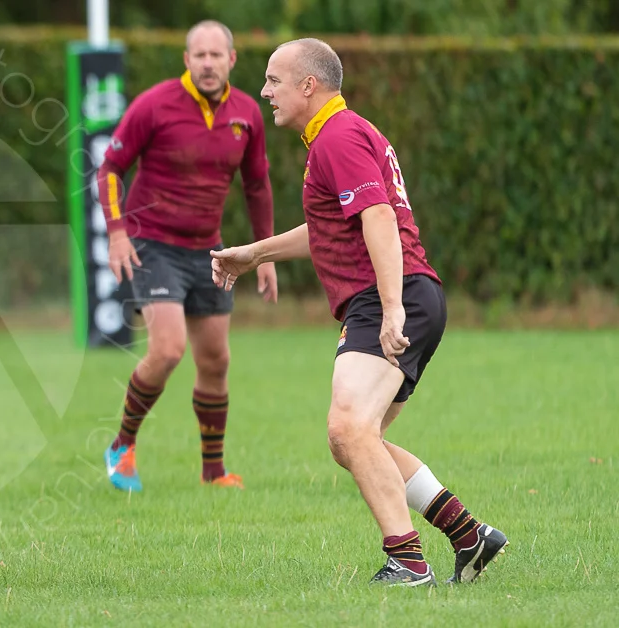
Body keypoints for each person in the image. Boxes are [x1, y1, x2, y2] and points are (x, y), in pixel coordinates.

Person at [210, 38, 507, 586]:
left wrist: (392, 307)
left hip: (392, 296)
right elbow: (329, 228)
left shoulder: (338, 137)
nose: (265, 91)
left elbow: (377, 218)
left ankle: (408, 563)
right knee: (358, 439)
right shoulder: (337, 135)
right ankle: (469, 535)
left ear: (308, 86)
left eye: (274, 80)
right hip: (403, 294)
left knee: (348, 428)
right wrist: (254, 254)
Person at [96, 20, 277, 492]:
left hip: (209, 251)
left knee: (216, 360)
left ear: (232, 60)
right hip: (152, 243)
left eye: (217, 55)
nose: (208, 63)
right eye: (199, 55)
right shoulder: (154, 105)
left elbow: (257, 185)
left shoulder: (247, 114)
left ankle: (213, 472)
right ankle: (122, 447)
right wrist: (117, 233)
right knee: (169, 348)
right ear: (186, 59)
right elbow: (110, 168)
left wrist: (265, 253)